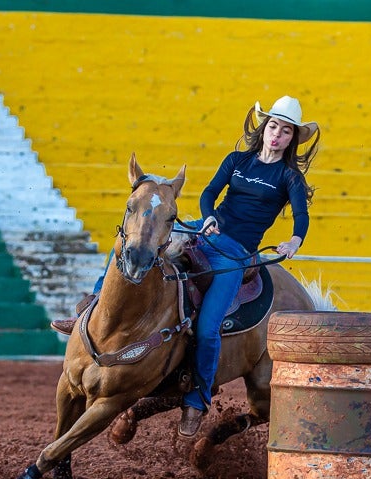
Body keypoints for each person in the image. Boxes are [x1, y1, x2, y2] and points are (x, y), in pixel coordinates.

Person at [51, 95, 320, 437]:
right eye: (272, 126)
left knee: (208, 327)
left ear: (292, 138)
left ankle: (197, 399)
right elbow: (210, 192)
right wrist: (207, 217)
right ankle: (90, 307)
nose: (276, 135)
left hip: (234, 254)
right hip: (203, 231)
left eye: (285, 131)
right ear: (263, 128)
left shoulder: (288, 177)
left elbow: (301, 216)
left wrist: (295, 240)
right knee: (133, 242)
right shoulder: (237, 160)